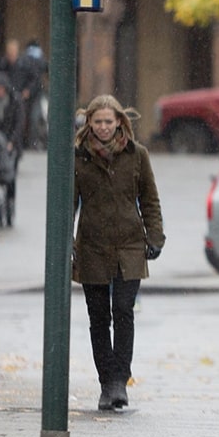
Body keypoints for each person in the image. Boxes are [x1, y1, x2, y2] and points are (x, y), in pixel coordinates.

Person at [72, 94, 164, 412]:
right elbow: (68, 205)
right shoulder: (78, 157)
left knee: (123, 311)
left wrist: (155, 237)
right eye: (97, 122)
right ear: (89, 123)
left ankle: (119, 381)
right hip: (92, 246)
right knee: (98, 317)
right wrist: (67, 245)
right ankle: (106, 382)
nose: (103, 127)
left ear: (119, 122)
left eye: (108, 122)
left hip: (129, 245)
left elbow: (150, 199)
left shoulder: (137, 155)